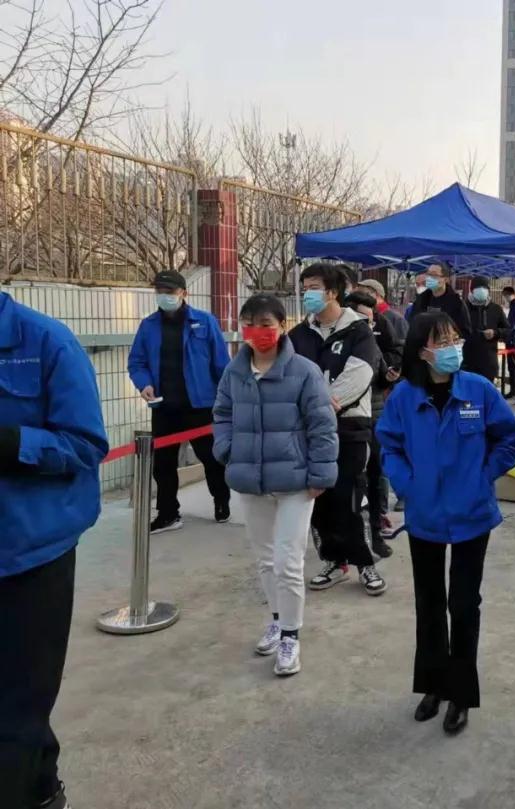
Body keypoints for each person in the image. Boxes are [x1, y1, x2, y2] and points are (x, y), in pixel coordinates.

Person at [377, 312, 515, 734]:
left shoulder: (479, 389)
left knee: (463, 603)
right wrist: (408, 484)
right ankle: (433, 686)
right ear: (422, 350)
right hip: (425, 515)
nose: (453, 347)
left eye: (455, 339)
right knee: (429, 603)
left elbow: (509, 437)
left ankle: (460, 694)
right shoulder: (404, 397)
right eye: (442, 341)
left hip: (472, 514)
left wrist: (483, 475)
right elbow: (389, 446)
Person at [0, 292, 109, 809]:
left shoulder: (46, 342)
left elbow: (85, 445)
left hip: (31, 555)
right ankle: (43, 790)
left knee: (16, 709)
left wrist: (11, 443)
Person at [213, 294, 338, 677]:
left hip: (296, 483)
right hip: (252, 482)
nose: (258, 333)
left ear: (282, 326)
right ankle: (277, 618)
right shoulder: (234, 372)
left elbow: (322, 425)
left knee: (288, 562)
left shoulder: (304, 371)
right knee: (265, 560)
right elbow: (222, 414)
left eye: (266, 325)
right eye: (250, 325)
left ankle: (290, 636)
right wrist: (228, 450)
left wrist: (320, 474)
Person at [289, 263, 387, 595]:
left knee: (350, 496)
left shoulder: (358, 330)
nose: (308, 294)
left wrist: (319, 406)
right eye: (305, 288)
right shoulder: (298, 335)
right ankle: (334, 561)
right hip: (308, 430)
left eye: (314, 287)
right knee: (319, 499)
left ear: (333, 292)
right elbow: (291, 378)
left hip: (349, 426)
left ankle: (366, 563)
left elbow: (359, 376)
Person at [128, 270, 231, 533]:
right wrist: (144, 384)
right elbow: (137, 362)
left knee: (212, 459)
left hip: (201, 406)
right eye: (159, 292)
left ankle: (221, 499)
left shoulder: (204, 322)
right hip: (164, 408)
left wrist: (227, 401)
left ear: (184, 293)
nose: (164, 296)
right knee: (163, 465)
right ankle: (168, 513)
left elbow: (222, 364)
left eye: (170, 292)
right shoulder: (149, 326)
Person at [343, 289, 398, 557]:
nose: (370, 324)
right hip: (345, 422)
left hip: (374, 417)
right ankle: (344, 541)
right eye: (364, 319)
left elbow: (384, 370)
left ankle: (375, 534)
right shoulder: (337, 344)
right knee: (348, 482)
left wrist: (389, 375)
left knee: (376, 476)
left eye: (372, 319)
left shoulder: (372, 342)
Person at [462, 277, 510, 382]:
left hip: (488, 364)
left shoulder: (496, 309)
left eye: (484, 288)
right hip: (467, 363)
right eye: (478, 287)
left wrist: (496, 333)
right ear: (472, 290)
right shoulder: (462, 307)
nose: (482, 290)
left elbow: (508, 331)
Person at [407, 261, 471, 339]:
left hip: (446, 344)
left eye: (434, 275)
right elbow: (412, 324)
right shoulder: (421, 300)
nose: (429, 278)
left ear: (445, 279)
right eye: (428, 274)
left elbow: (465, 332)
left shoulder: (457, 303)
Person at [502, 285, 515, 398]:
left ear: (511, 294)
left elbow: (513, 324)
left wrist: (505, 332)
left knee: (512, 366)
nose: (505, 297)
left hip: (512, 340)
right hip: (512, 338)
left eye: (506, 295)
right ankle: (514, 389)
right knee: (512, 365)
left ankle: (514, 390)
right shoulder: (514, 305)